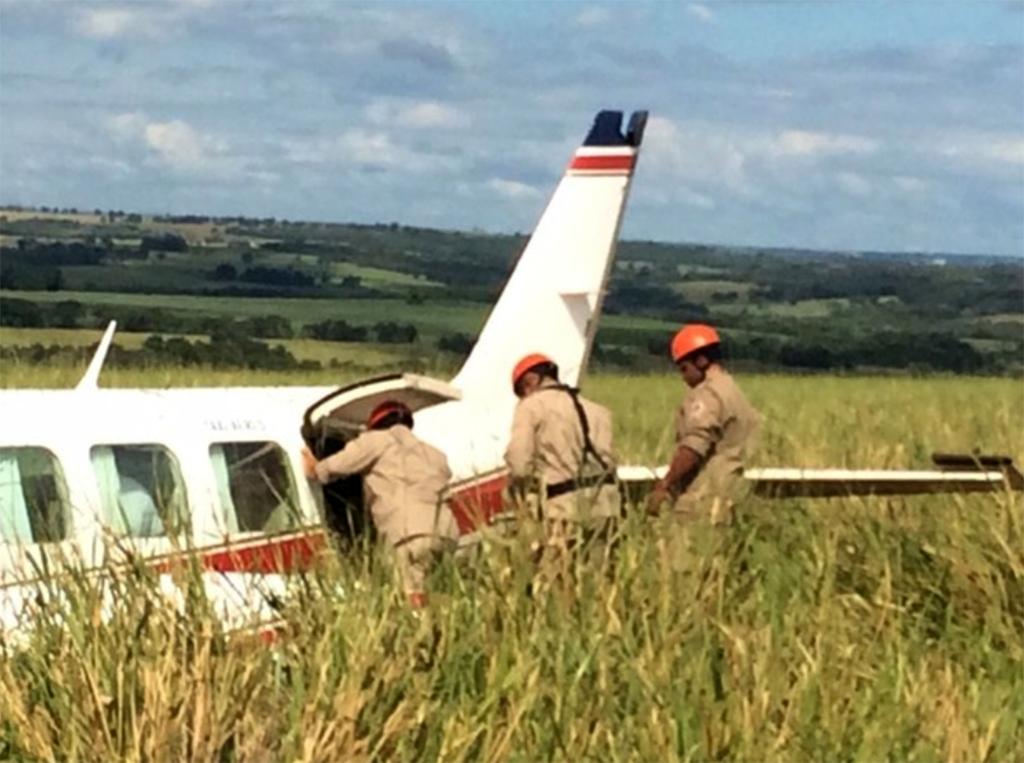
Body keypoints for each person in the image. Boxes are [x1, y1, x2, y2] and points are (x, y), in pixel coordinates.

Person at [302, 400, 457, 608]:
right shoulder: (435, 453)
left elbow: (339, 465)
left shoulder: (375, 441)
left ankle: (419, 635)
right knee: (437, 595)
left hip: (409, 535)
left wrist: (316, 468)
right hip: (446, 534)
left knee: (409, 598)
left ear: (375, 424)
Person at [504, 353, 619, 574]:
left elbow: (519, 462)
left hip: (565, 507)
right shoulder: (598, 410)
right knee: (599, 579)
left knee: (557, 582)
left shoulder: (531, 406)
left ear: (530, 381)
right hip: (607, 504)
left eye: (521, 391)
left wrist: (517, 495)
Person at [648, 324, 760, 526]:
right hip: (733, 495)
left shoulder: (707, 394)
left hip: (702, 498)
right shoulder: (733, 391)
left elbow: (694, 445)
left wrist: (665, 484)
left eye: (684, 368)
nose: (684, 378)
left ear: (701, 361)